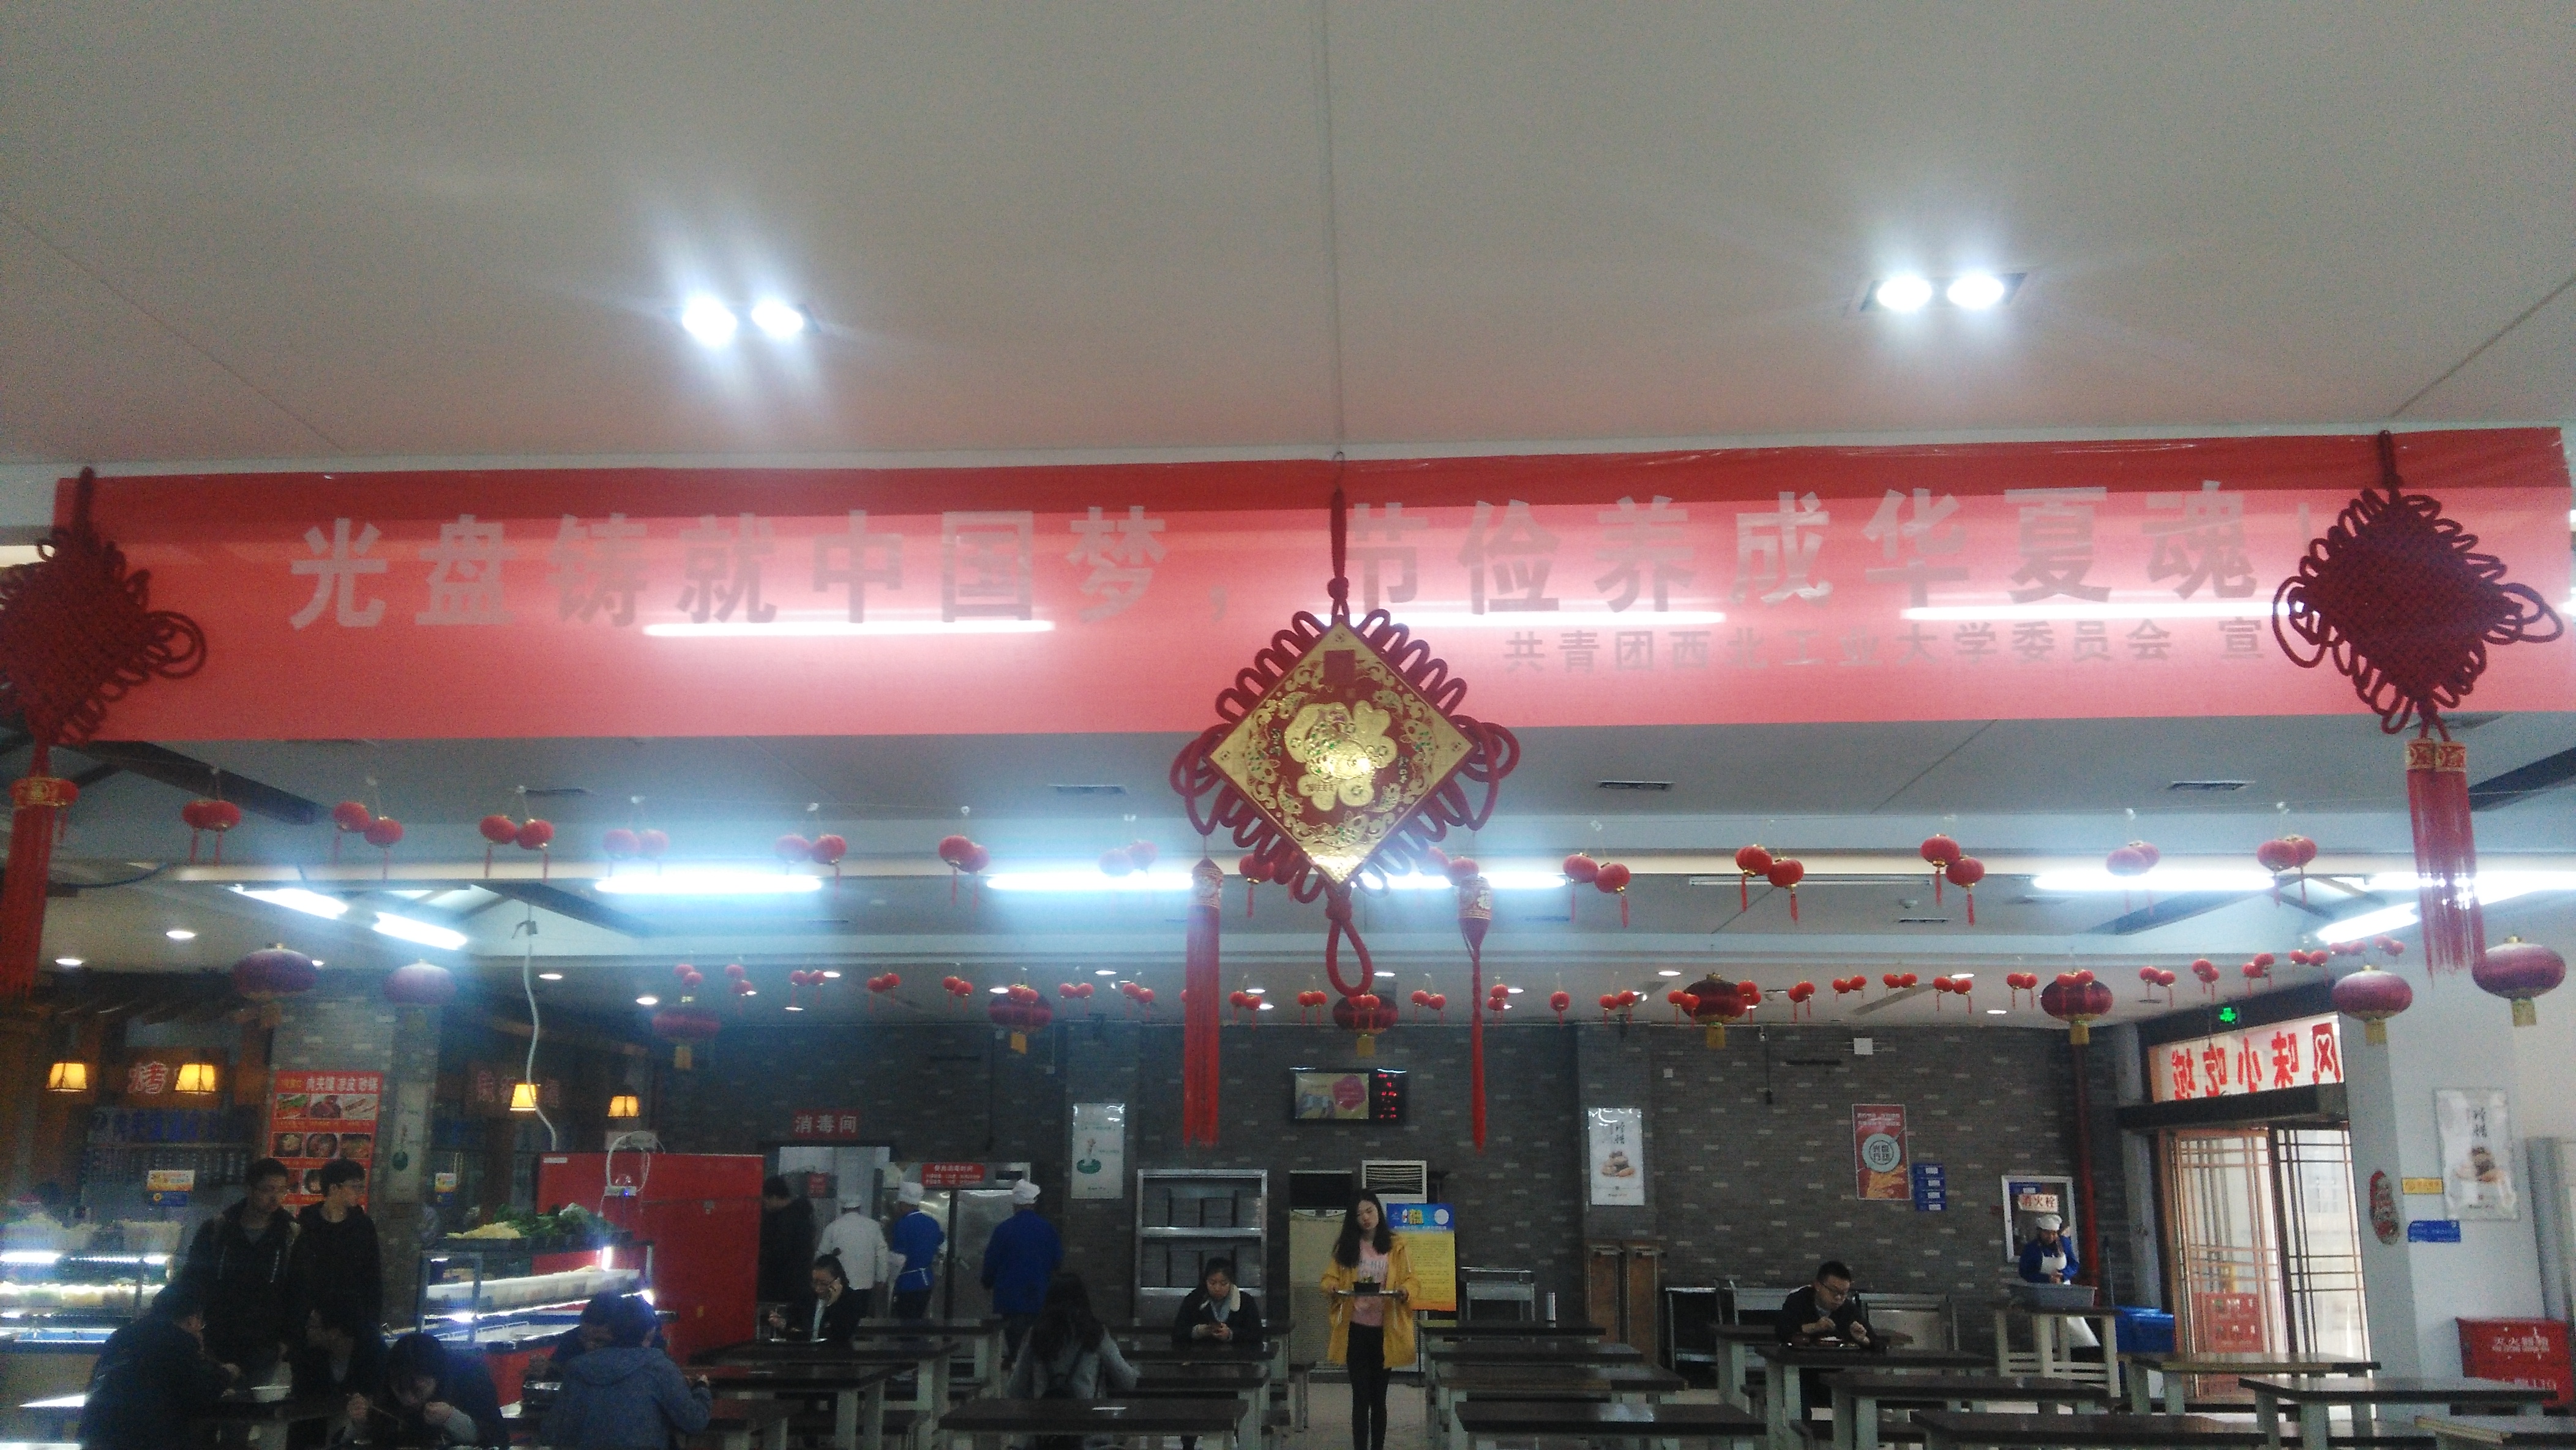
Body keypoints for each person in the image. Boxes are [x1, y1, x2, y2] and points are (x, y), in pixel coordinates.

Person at [179, 1154, 302, 1385]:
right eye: (268, 1190)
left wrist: (286, 1341)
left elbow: (299, 1290)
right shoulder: (218, 1229)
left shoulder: (290, 1234)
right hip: (217, 1338)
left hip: (266, 1343)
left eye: (282, 1191)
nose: (275, 1198)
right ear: (249, 1189)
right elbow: (194, 1278)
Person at [76, 1281, 238, 1449]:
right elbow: (201, 1392)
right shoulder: (177, 1341)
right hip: (144, 1440)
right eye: (201, 1323)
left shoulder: (122, 1335)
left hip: (94, 1436)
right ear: (191, 1321)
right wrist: (228, 1373)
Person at [544, 1293, 714, 1449]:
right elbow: (694, 1421)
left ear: (611, 1330)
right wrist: (702, 1389)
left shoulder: (577, 1367)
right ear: (649, 1333)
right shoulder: (659, 1367)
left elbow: (553, 1433)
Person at [1320, 1192, 1418, 1450]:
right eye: (1358, 1214)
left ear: (1378, 1212)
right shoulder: (1346, 1247)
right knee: (1360, 1398)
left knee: (1379, 1398)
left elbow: (1412, 1280)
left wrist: (1406, 1291)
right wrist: (1331, 1287)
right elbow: (1329, 1278)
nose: (1365, 1218)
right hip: (1355, 1330)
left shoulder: (1397, 1246)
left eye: (1369, 1211)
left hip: (1385, 1332)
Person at [1002, 1272, 1140, 1402]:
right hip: (1087, 1416)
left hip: (1045, 1417)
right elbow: (1128, 1382)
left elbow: (1014, 1389)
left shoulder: (1036, 1335)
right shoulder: (1096, 1334)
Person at [366, 1330, 508, 1446]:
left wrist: (452, 1418)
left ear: (437, 1378)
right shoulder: (385, 1388)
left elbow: (498, 1438)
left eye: (417, 1390)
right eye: (400, 1390)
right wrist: (362, 1423)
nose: (409, 1400)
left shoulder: (471, 1380)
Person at [292, 1157, 384, 1329]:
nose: (360, 1192)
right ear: (334, 1188)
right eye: (354, 1187)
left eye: (361, 1187)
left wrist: (371, 1320)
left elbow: (372, 1275)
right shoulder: (307, 1221)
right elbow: (297, 1272)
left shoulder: (362, 1225)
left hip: (352, 1316)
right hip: (310, 1317)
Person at [288, 1293, 388, 1448]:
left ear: (334, 1332)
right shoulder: (309, 1354)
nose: (307, 1330)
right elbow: (303, 1398)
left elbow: (377, 1401)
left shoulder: (373, 1353)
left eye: (312, 1326)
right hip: (319, 1425)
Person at [981, 1178, 1063, 1356]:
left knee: (1017, 1348)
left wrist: (987, 1283)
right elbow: (1057, 1261)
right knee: (1039, 1348)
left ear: (1015, 1205)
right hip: (1040, 1296)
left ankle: (1016, 1370)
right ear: (1034, 1204)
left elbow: (991, 1263)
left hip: (1010, 1299)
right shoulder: (1048, 1229)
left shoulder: (1003, 1230)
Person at [2018, 1214, 2100, 1350]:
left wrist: (2063, 1275)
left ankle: (2084, 1350)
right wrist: (2046, 1279)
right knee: (2047, 1326)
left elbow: (2074, 1265)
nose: (2051, 1237)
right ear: (2040, 1232)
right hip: (2042, 1294)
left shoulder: (2064, 1244)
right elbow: (2025, 1272)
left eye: (2054, 1233)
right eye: (2047, 1233)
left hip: (2064, 1291)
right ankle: (2051, 1352)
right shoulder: (2031, 1249)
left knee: (2074, 1322)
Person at [817, 1194, 893, 1314]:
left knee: (840, 1317)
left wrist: (819, 1282)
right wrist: (881, 1279)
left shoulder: (832, 1227)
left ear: (842, 1209)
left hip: (839, 1286)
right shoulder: (874, 1226)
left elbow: (822, 1257)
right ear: (859, 1208)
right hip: (865, 1285)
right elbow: (882, 1254)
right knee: (861, 1318)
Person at [768, 1253, 868, 1343]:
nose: (818, 1289)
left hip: (835, 1354)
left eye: (824, 1284)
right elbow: (794, 1321)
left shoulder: (850, 1299)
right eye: (815, 1282)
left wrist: (832, 1304)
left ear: (837, 1281)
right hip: (805, 1353)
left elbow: (840, 1335)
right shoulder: (808, 1297)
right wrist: (782, 1323)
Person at [1170, 1257, 1265, 1351]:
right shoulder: (1194, 1299)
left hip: (1238, 1356)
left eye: (1223, 1283)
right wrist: (1198, 1331)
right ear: (1206, 1281)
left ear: (1231, 1282)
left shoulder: (1246, 1301)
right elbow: (1177, 1333)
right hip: (1200, 1355)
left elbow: (1257, 1335)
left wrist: (1231, 1334)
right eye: (1212, 1283)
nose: (1217, 1288)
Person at [1775, 1260, 1876, 1347]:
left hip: (1836, 1361)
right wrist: (1815, 1327)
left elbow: (1876, 1343)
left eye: (1843, 1293)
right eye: (1834, 1291)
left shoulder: (1848, 1309)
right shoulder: (1798, 1300)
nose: (1838, 1298)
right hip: (1800, 1359)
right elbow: (1782, 1332)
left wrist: (1863, 1339)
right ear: (1818, 1286)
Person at [757, 1174, 818, 1307]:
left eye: (765, 1201)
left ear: (774, 1197)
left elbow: (778, 1253)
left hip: (781, 1287)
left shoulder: (784, 1222)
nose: (764, 1205)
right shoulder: (802, 1215)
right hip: (800, 1285)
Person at [886, 1180, 944, 1320]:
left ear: (903, 1204)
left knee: (904, 1324)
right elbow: (942, 1246)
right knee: (918, 1323)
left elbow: (899, 1259)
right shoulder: (932, 1222)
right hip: (927, 1282)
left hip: (907, 1283)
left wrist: (890, 1280)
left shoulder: (902, 1224)